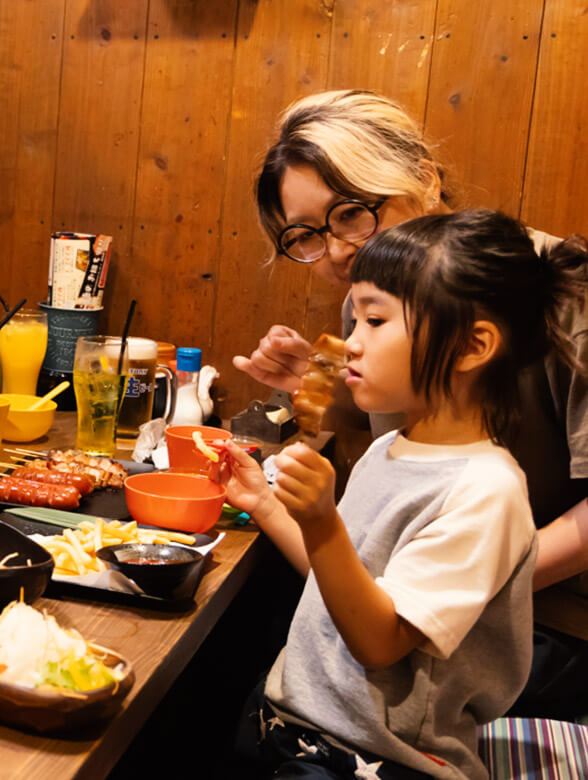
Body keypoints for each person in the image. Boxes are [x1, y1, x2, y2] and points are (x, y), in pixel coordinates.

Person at [235, 89, 588, 720]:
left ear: (424, 178)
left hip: (545, 622)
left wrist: (476, 581)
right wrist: (318, 386)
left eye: (351, 213)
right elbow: (407, 442)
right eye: (307, 235)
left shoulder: (563, 293)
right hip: (412, 586)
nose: (337, 252)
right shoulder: (371, 295)